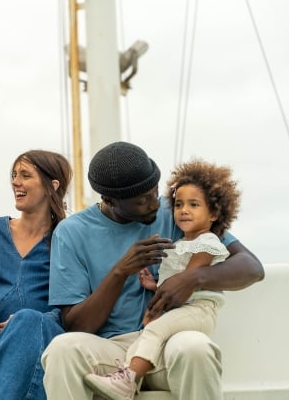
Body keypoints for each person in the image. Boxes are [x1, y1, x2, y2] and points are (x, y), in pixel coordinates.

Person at [41, 141, 264, 400]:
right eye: (141, 201)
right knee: (61, 349)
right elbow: (77, 325)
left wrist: (192, 277)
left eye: (153, 191)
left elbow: (251, 266)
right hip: (111, 351)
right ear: (109, 200)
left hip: (169, 343)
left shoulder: (178, 212)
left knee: (195, 348)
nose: (153, 204)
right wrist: (120, 271)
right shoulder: (72, 233)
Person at [84, 158, 241, 399]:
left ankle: (127, 383)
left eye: (194, 205)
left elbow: (188, 279)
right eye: (178, 204)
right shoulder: (181, 243)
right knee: (144, 336)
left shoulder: (208, 242)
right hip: (184, 309)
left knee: (153, 330)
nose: (183, 210)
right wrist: (154, 285)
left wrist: (159, 298)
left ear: (214, 213)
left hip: (199, 310)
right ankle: (126, 378)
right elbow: (176, 282)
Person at [0, 149, 73, 400]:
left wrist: (21, 325)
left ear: (52, 186)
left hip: (41, 342)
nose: (15, 182)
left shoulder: (66, 238)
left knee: (28, 320)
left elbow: (71, 306)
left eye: (25, 175)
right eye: (14, 175)